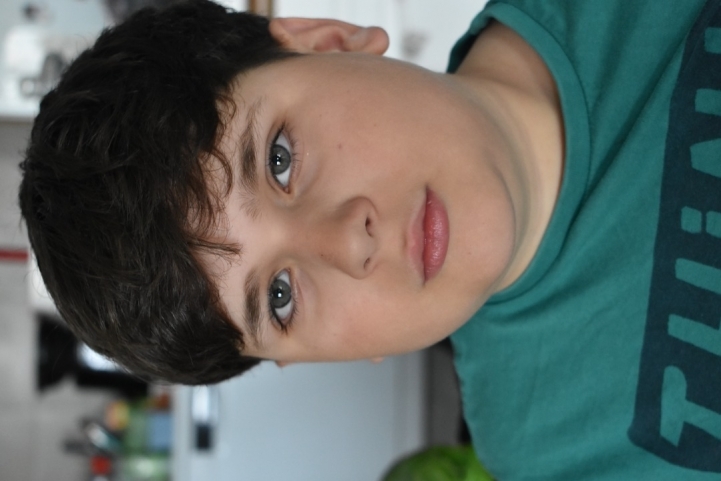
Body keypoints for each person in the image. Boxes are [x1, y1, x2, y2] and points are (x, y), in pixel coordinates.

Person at [18, 0, 721, 478]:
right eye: (281, 297)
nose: (345, 244)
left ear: (328, 40)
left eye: (279, 158)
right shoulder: (550, 456)